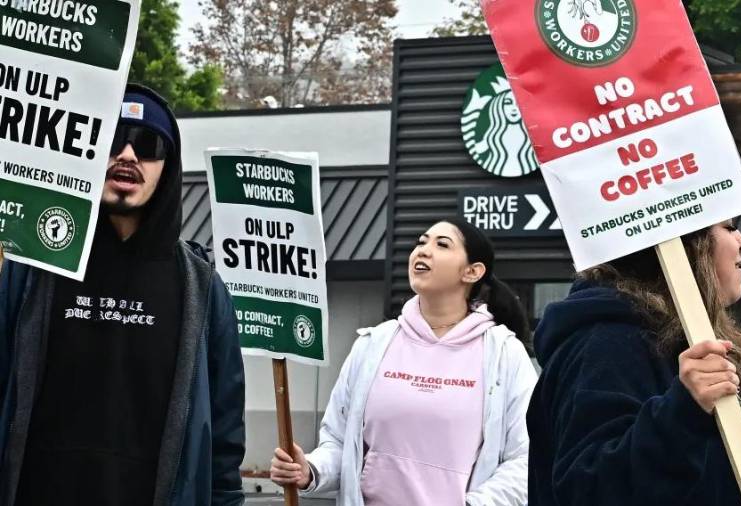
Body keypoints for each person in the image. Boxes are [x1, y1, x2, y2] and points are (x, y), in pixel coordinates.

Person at [0, 84, 246, 506]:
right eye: (112, 139)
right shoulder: (30, 270)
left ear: (167, 168)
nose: (128, 155)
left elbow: (223, 436)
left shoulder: (202, 288)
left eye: (147, 145)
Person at [527, 220, 741, 506]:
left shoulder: (692, 341)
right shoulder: (607, 345)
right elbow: (590, 488)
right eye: (729, 228)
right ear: (688, 246)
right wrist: (682, 413)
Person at [269, 217, 537, 506]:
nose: (423, 250)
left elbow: (527, 459)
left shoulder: (503, 355)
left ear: (472, 272)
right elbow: (340, 443)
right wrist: (310, 469)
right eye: (421, 242)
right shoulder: (373, 344)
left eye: (442, 244)